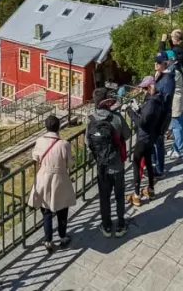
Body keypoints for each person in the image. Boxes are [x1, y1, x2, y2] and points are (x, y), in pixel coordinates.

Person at [87, 87, 131, 238]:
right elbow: (128, 134)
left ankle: (106, 226)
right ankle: (120, 225)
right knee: (119, 195)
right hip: (117, 165)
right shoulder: (117, 118)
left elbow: (89, 143)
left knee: (104, 197)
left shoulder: (91, 120)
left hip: (102, 167)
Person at [28, 115, 76, 252]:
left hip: (44, 177)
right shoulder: (64, 144)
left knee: (46, 211)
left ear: (46, 126)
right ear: (58, 127)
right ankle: (62, 237)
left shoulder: (39, 141)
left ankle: (48, 241)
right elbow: (70, 164)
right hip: (60, 178)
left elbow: (35, 156)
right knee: (62, 209)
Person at [127, 65, 165, 207]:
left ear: (149, 87)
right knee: (148, 162)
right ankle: (150, 189)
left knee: (136, 164)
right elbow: (148, 117)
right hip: (152, 137)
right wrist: (139, 109)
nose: (142, 91)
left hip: (143, 138)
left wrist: (130, 111)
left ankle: (136, 195)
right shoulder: (157, 100)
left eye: (144, 88)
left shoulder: (150, 104)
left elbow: (141, 123)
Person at [152, 54, 176, 176]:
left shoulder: (167, 80)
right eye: (155, 62)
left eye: (158, 63)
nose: (156, 64)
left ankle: (159, 168)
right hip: (157, 113)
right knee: (154, 141)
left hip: (161, 115)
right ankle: (154, 164)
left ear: (164, 64)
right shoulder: (161, 75)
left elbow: (164, 99)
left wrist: (153, 93)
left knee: (158, 142)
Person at [169, 53, 183, 159]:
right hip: (180, 98)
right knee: (181, 122)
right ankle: (179, 147)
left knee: (176, 125)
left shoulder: (173, 71)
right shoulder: (179, 66)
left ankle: (179, 148)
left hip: (176, 101)